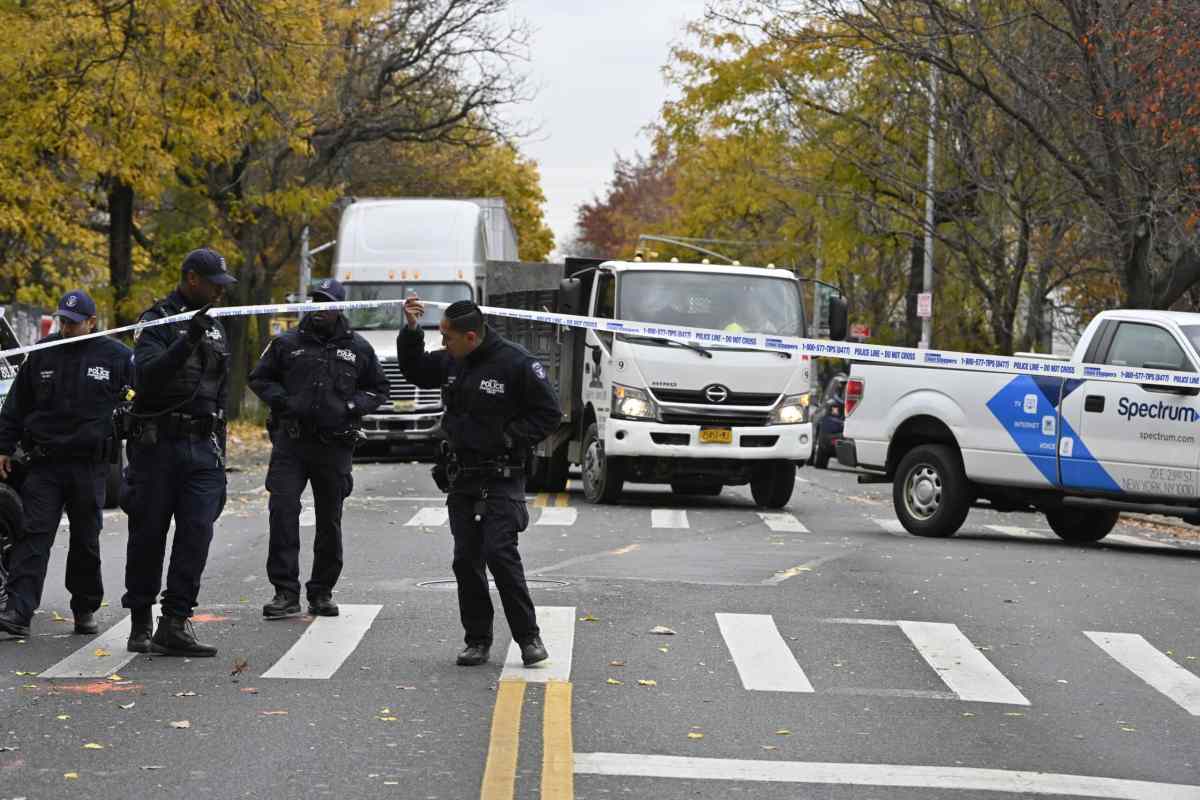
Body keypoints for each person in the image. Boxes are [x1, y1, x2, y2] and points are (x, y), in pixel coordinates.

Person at [398, 296, 560, 667]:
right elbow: (416, 370)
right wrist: (410, 331)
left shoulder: (516, 363)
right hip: (462, 477)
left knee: (500, 556)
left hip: (502, 477)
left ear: (470, 336)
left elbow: (549, 414)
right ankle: (477, 640)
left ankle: (528, 638)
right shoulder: (454, 361)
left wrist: (508, 437)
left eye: (447, 338)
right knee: (465, 561)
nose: (443, 345)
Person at [248, 278, 388, 619]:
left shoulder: (358, 348)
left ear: (339, 307)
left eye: (326, 302)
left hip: (334, 445)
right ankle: (285, 592)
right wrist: (283, 402)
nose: (319, 307)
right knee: (282, 511)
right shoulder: (286, 343)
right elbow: (259, 378)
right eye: (315, 300)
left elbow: (378, 389)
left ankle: (322, 591)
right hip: (292, 443)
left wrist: (352, 407)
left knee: (330, 520)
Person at [0, 291, 133, 639]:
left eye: (74, 322)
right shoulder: (43, 352)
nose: (67, 327)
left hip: (89, 465)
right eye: (63, 321)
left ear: (91, 321)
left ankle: (85, 607)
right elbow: (16, 405)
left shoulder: (117, 356)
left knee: (86, 539)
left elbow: (141, 398)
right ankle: (18, 610)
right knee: (33, 534)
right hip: (45, 463)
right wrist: (3, 446)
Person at [121, 248, 234, 657]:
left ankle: (174, 621)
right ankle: (139, 621)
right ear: (191, 279)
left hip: (203, 447)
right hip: (158, 445)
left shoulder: (218, 327)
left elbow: (222, 392)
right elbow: (147, 378)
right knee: (148, 534)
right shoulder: (157, 323)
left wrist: (222, 450)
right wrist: (187, 338)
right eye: (213, 284)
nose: (219, 293)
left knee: (197, 533)